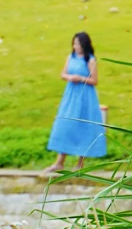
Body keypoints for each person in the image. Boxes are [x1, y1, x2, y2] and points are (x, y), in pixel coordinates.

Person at [45, 31, 105, 171]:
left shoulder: (90, 60)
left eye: (78, 44)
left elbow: (94, 80)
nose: (75, 46)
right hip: (71, 96)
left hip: (85, 97)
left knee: (84, 126)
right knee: (66, 124)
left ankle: (80, 163)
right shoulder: (70, 57)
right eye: (74, 43)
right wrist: (70, 77)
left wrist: (81, 78)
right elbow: (63, 74)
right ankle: (59, 161)